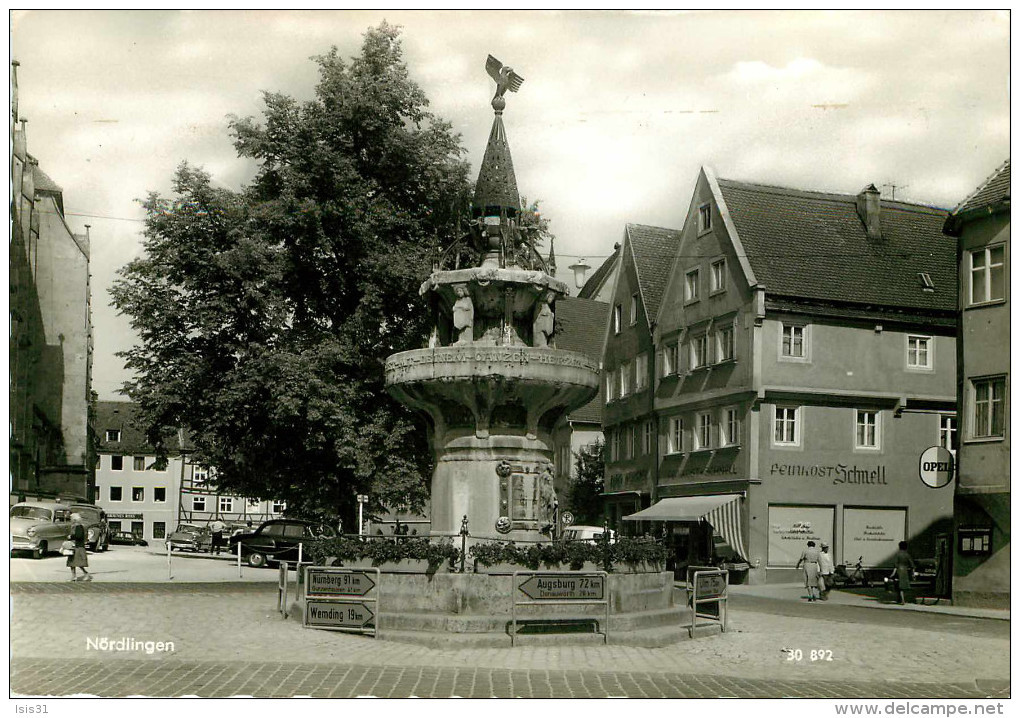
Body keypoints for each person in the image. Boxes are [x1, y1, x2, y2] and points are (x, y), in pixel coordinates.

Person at [67, 512, 92, 582]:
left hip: (78, 547)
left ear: (75, 519)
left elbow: (79, 536)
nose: (70, 520)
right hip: (74, 546)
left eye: (71, 518)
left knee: (79, 563)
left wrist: (71, 536)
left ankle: (86, 574)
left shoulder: (78, 527)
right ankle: (73, 576)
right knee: (72, 563)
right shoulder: (74, 526)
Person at [891, 540, 916, 605]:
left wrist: (893, 574)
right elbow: (912, 565)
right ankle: (902, 599)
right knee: (903, 586)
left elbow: (895, 565)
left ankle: (901, 600)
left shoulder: (898, 555)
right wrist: (913, 573)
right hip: (905, 571)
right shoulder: (907, 555)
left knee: (899, 586)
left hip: (899, 571)